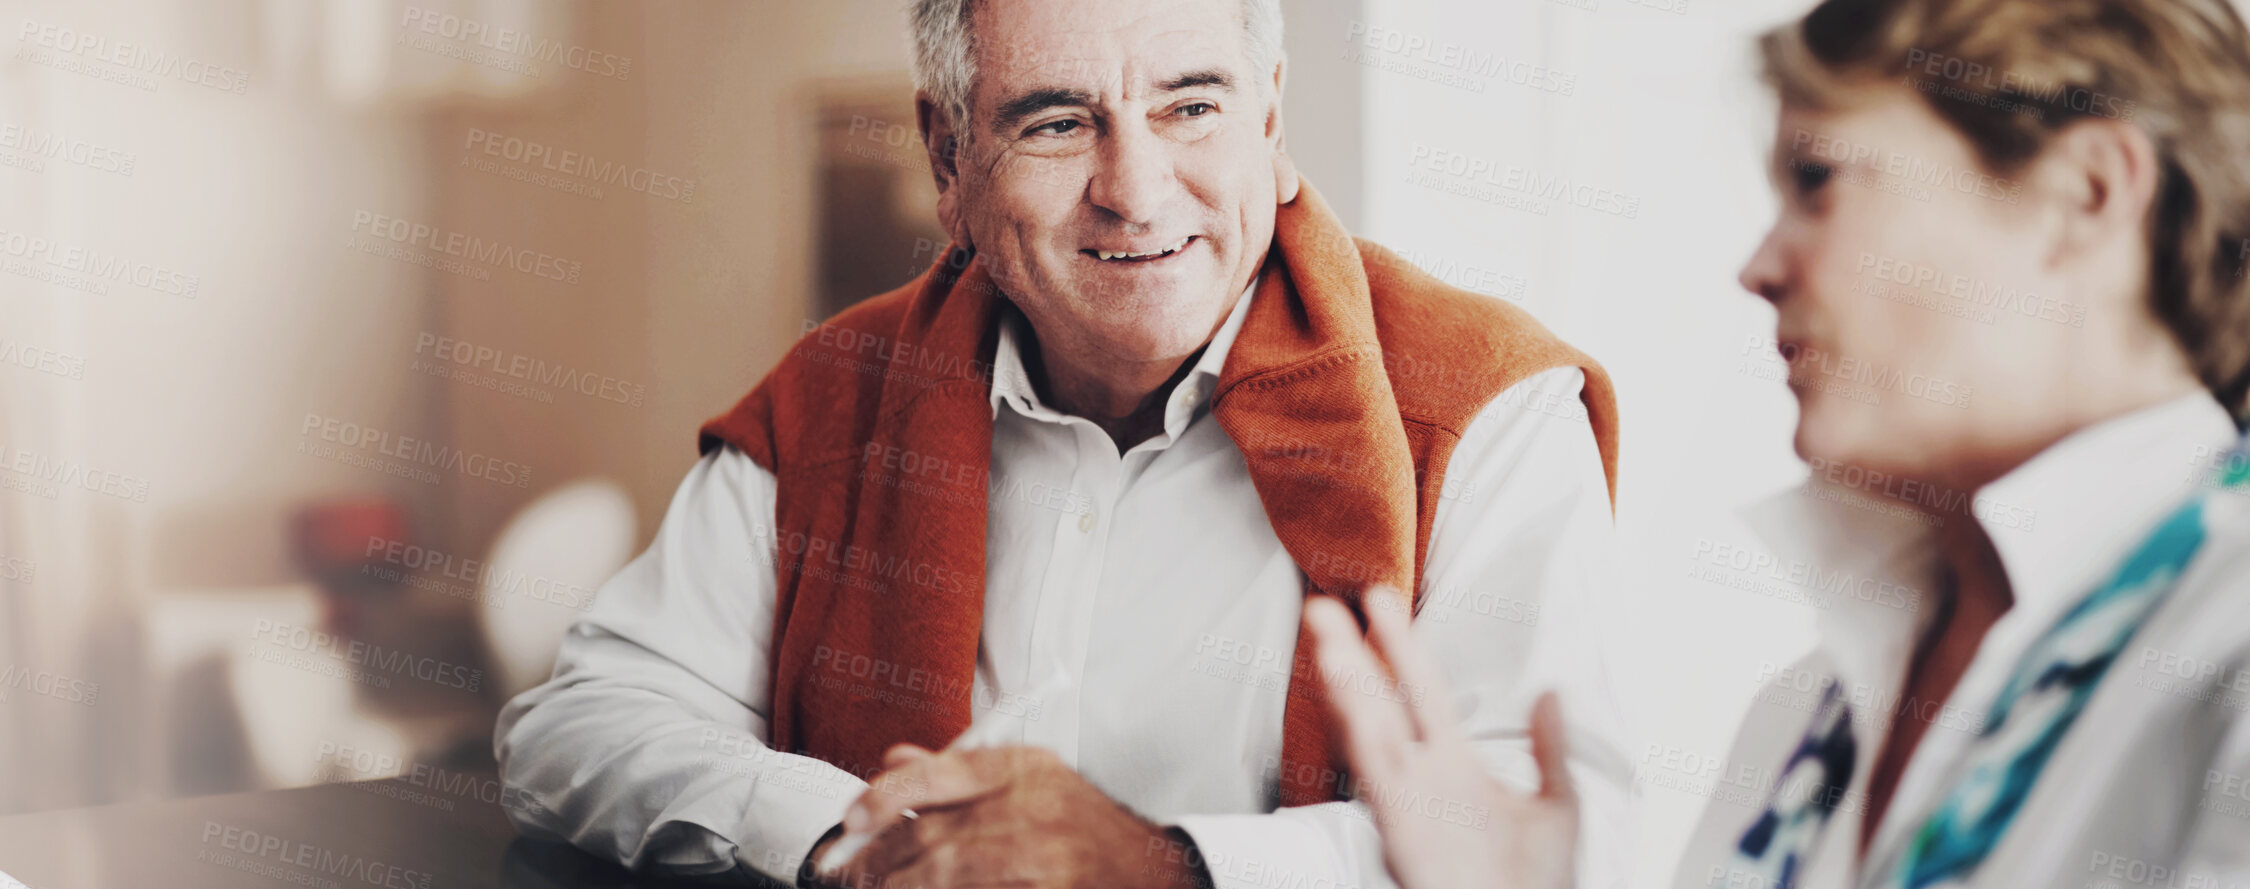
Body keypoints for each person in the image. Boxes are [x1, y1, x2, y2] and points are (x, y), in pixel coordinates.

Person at [493, 0, 1638, 886]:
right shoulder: (833, 393)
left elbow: (1544, 839)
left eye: (1192, 108)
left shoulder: (1488, 405)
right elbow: (575, 728)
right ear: (948, 162)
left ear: (1272, 117)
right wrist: (859, 833)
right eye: (1056, 122)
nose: (1136, 193)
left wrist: (1163, 867)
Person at [1309, 0, 2250, 887]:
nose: (1759, 267)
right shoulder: (1812, 707)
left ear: (2082, 193)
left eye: (1818, 179)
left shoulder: (2227, 633)